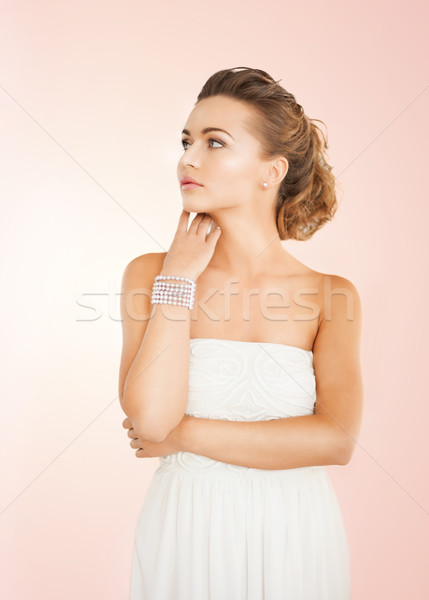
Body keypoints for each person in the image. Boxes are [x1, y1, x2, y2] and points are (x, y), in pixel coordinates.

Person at [118, 66, 363, 599]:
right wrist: (177, 280)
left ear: (270, 171)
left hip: (295, 537)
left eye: (214, 142)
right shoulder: (150, 274)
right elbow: (151, 418)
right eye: (186, 141)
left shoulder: (330, 295)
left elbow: (336, 440)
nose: (187, 158)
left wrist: (184, 437)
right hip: (185, 531)